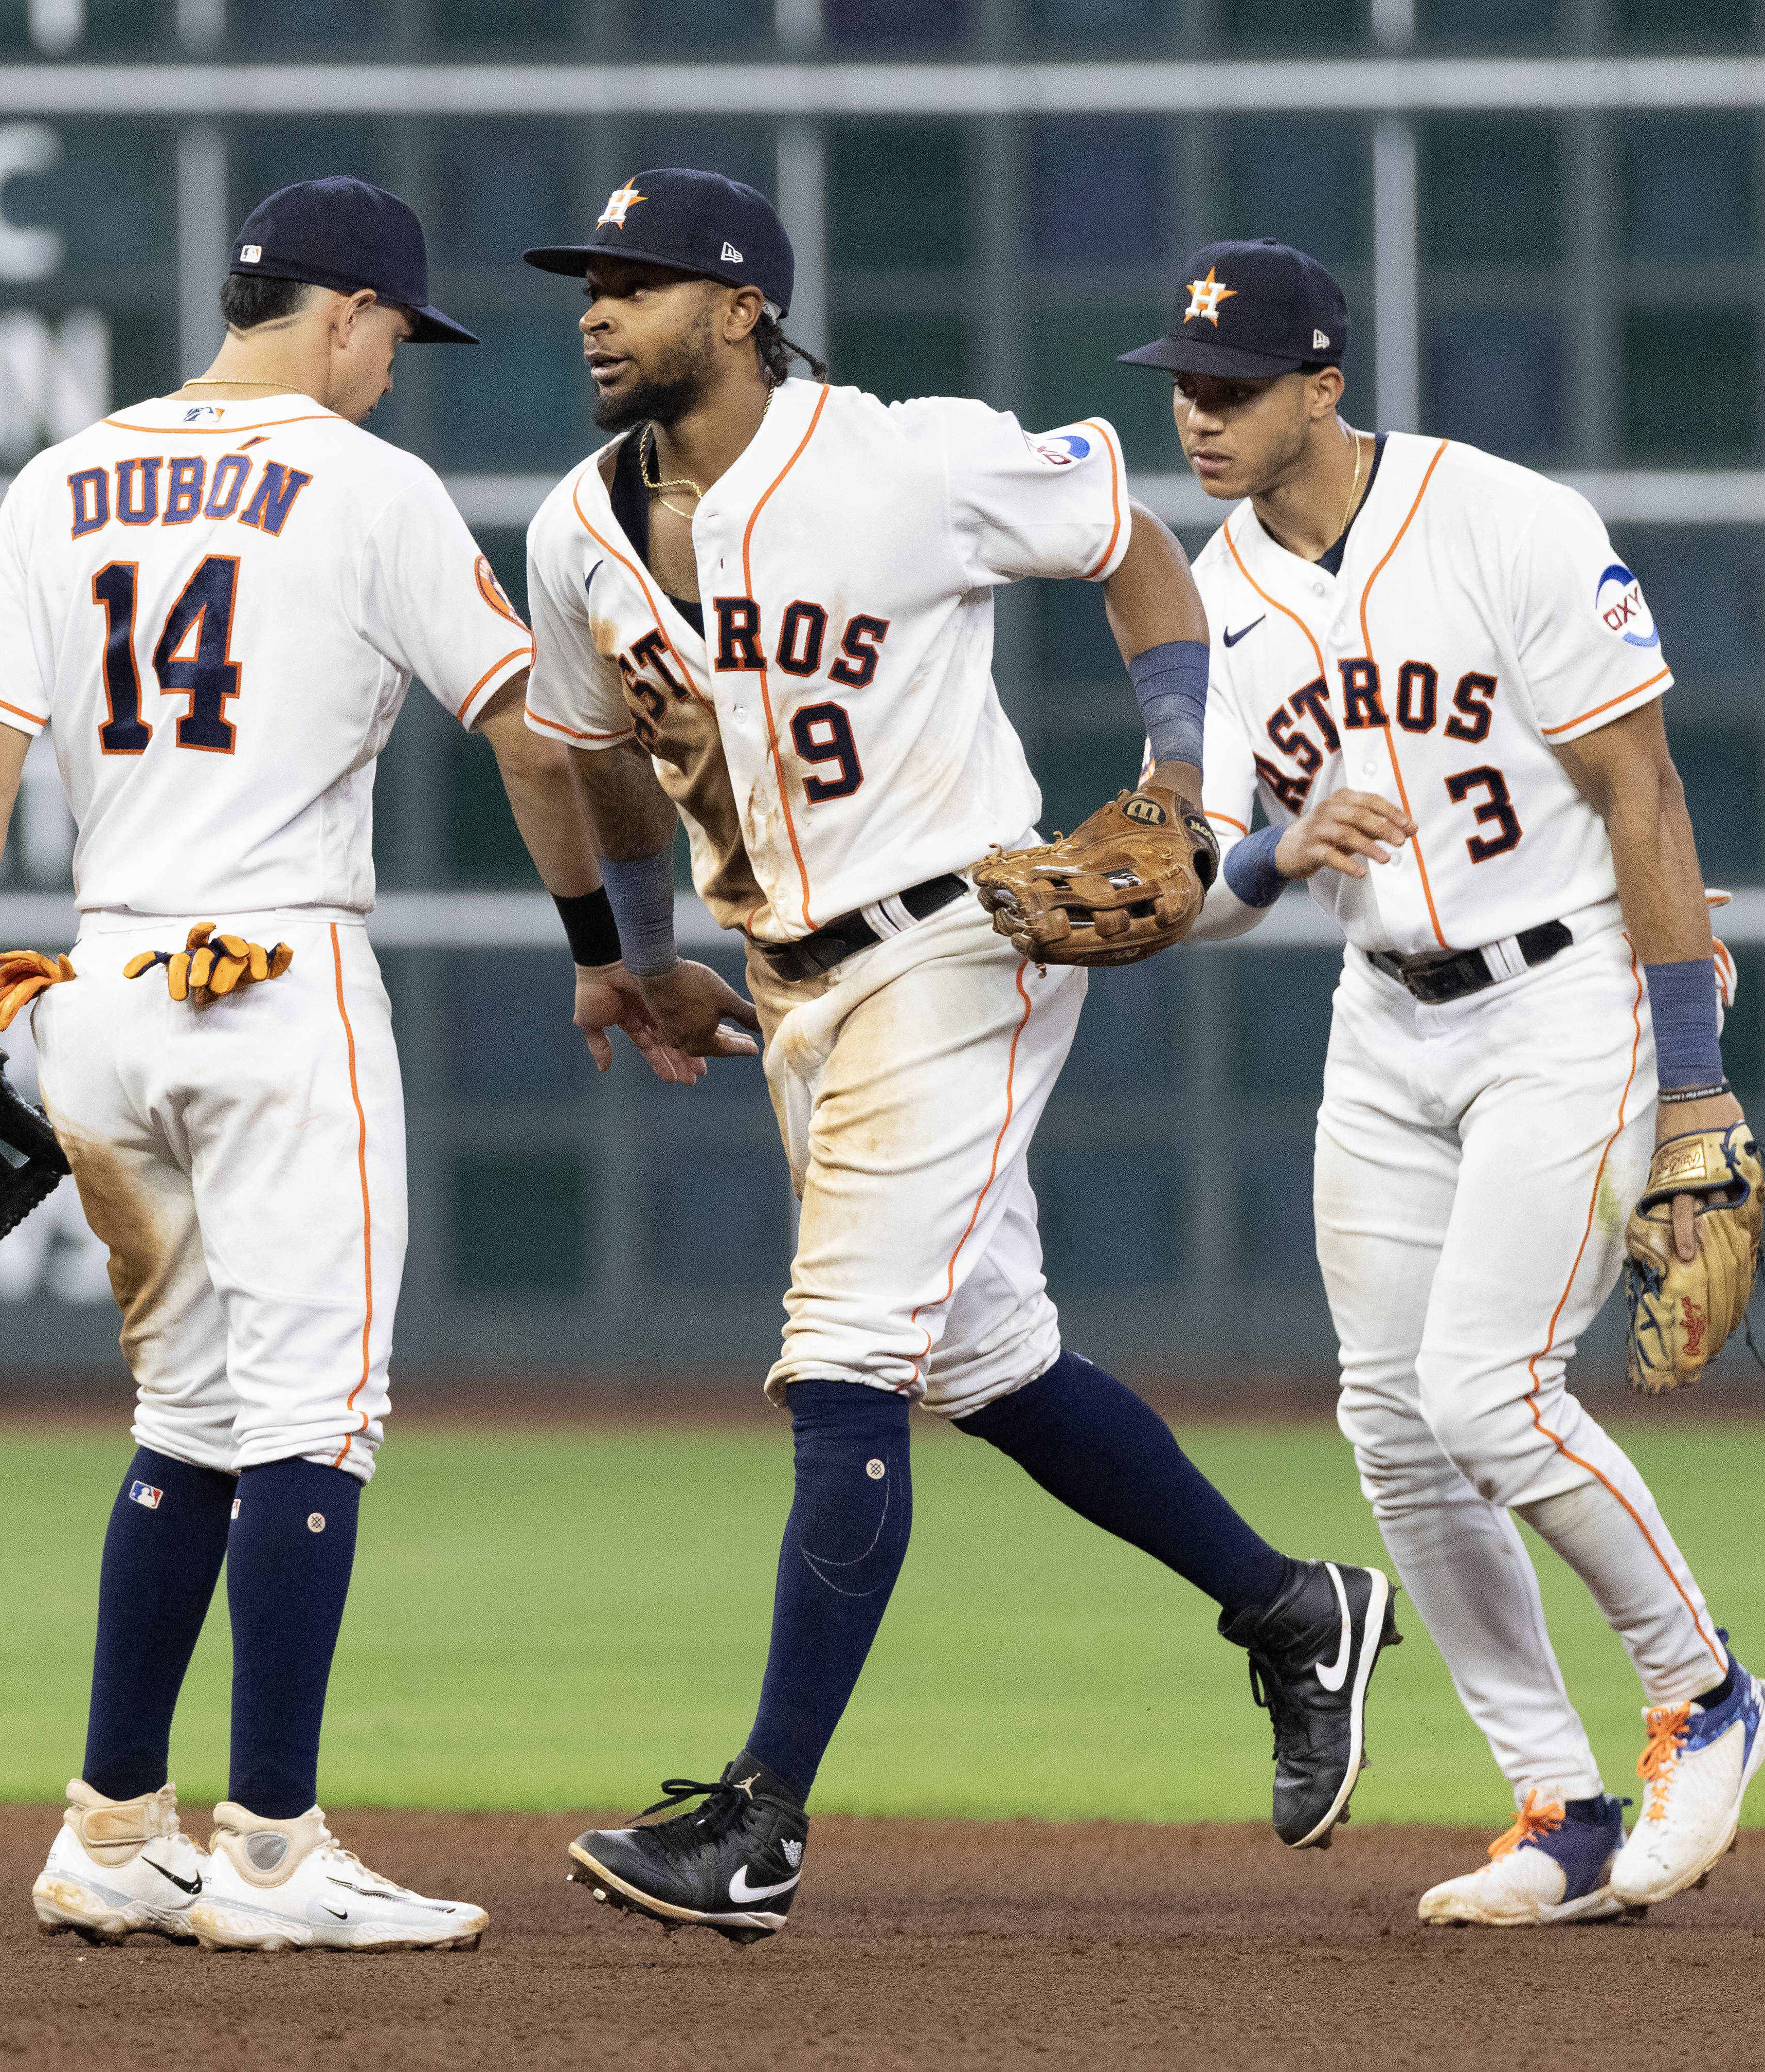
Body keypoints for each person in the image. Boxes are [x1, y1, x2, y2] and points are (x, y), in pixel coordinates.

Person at [519, 171, 1400, 1944]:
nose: (599, 309)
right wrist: (636, 956)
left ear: (744, 308)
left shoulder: (904, 460)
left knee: (844, 1362)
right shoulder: (573, 528)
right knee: (987, 1357)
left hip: (960, 943)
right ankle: (1296, 1611)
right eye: (590, 282)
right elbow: (595, 750)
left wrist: (1173, 777)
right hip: (792, 975)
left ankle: (758, 1823)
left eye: (641, 280)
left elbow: (1134, 548)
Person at [0, 176, 723, 1952]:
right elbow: (532, 742)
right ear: (346, 313)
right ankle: (272, 1849)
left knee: (183, 1413)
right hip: (278, 982)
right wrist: (608, 960)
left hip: (98, 991)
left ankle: (116, 1830)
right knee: (313, 1419)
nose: (393, 375)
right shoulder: (369, 488)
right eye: (395, 342)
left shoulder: (61, 478)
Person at [1130, 238, 1765, 1927]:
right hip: (1385, 1018)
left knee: (1487, 1393)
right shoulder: (1211, 595)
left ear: (1325, 387)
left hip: (1569, 996)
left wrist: (1696, 1088)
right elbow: (1184, 888)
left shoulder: (1505, 521)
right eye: (1183, 389)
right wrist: (1270, 850)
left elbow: (1642, 796)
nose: (1198, 417)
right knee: (1395, 1429)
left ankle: (1707, 1694)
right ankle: (1555, 1804)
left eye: (1233, 389)